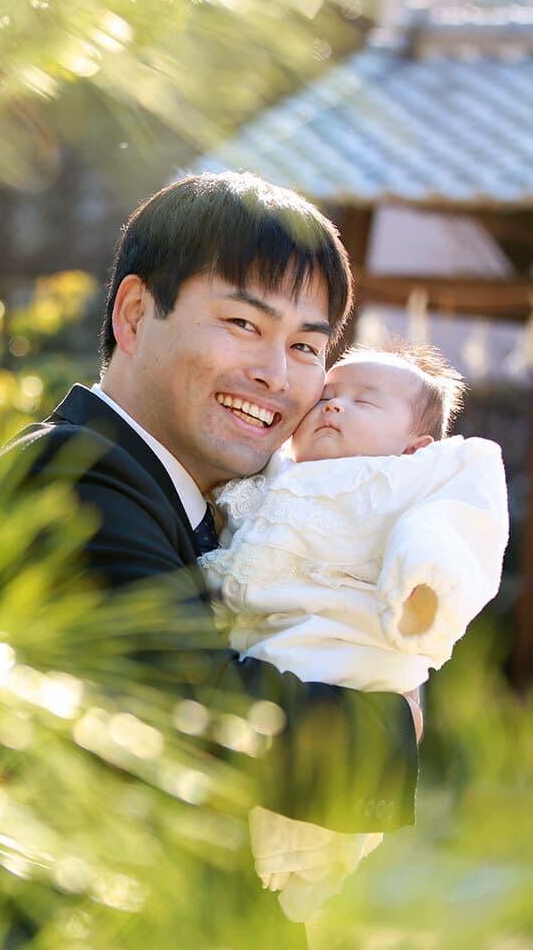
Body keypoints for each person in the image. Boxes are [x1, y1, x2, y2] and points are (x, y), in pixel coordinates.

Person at [0, 171, 422, 944]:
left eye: (307, 346)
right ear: (137, 314)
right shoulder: (75, 474)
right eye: (244, 324)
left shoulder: (202, 510)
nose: (276, 375)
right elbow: (200, 721)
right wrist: (395, 725)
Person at [201, 343, 509, 923]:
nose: (333, 407)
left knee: (306, 812)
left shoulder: (408, 480)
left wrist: (423, 581)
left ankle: (307, 866)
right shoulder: (274, 471)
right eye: (326, 396)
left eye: (362, 401)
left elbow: (450, 527)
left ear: (414, 447)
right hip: (264, 636)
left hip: (345, 637)